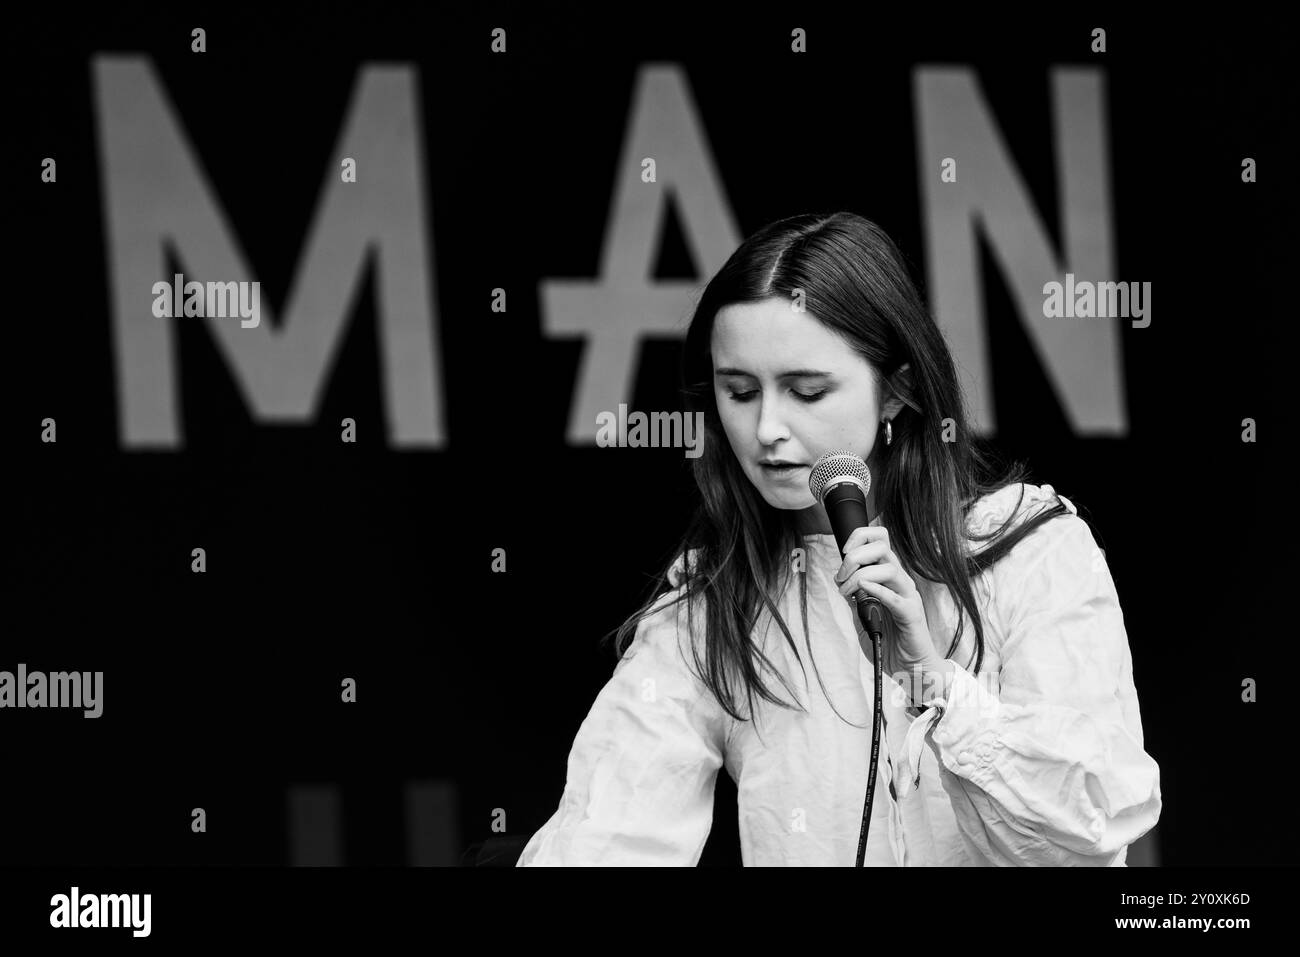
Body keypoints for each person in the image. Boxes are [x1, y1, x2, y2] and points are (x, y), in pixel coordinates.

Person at [516, 212, 1162, 866]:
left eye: (806, 390)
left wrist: (935, 683)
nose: (767, 427)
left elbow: (1094, 826)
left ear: (896, 390)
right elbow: (610, 834)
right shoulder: (713, 598)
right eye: (739, 391)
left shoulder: (1028, 549)